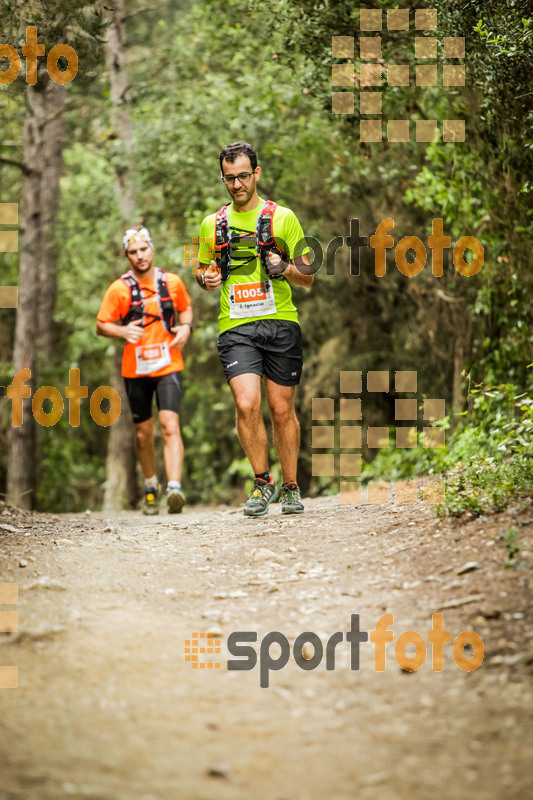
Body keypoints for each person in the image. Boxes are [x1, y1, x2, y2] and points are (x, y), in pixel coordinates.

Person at [197, 141, 313, 517]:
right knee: (246, 403)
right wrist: (206, 279)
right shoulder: (211, 225)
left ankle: (291, 487)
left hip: (280, 320)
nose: (236, 185)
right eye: (229, 178)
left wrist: (285, 269)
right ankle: (262, 482)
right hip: (237, 325)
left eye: (243, 176)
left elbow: (308, 276)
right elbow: (201, 270)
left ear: (256, 174)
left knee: (281, 409)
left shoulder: (284, 218)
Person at [96, 227, 193, 515]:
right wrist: (122, 330)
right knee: (142, 434)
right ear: (127, 256)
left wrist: (186, 327)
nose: (140, 256)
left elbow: (186, 309)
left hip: (168, 364)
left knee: (170, 425)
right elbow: (101, 325)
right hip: (135, 368)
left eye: (144, 249)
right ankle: (151, 487)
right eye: (133, 252)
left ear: (152, 249)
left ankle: (174, 487)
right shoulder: (119, 289)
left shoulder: (172, 282)